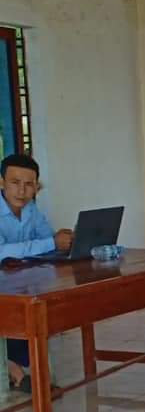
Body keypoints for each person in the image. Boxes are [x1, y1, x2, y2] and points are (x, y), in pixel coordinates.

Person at [0, 153, 74, 391]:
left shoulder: (31, 209)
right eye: (15, 182)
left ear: (36, 187)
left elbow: (47, 239)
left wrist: (65, 241)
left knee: (37, 303)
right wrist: (51, 243)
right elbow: (2, 252)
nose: (22, 191)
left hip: (15, 282)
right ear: (1, 182)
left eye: (29, 184)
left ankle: (26, 370)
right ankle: (16, 372)